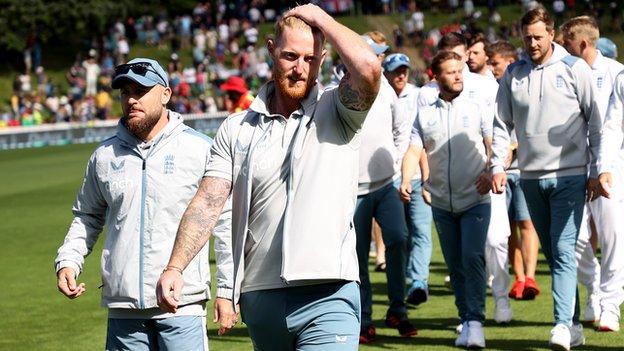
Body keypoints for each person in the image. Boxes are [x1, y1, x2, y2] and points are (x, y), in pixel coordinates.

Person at [157, 4, 381, 350]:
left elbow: (367, 66)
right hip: (261, 297)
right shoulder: (236, 129)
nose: (300, 68)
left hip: (329, 292)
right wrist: (175, 266)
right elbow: (208, 202)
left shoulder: (339, 111)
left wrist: (320, 17)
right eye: (291, 56)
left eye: (311, 59)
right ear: (271, 49)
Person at [54, 57, 226, 350]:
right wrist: (69, 260)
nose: (132, 99)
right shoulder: (104, 156)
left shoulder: (200, 149)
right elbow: (87, 216)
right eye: (125, 92)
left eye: (141, 90)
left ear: (166, 94)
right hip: (124, 310)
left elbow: (223, 221)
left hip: (182, 304)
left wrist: (226, 289)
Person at [491, 7, 602, 350]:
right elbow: (500, 124)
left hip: (569, 175)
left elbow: (596, 123)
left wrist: (597, 170)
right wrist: (497, 164)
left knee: (564, 249)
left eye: (538, 37)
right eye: (527, 38)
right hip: (529, 177)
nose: (532, 44)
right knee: (555, 253)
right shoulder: (513, 73)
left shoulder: (574, 68)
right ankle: (574, 325)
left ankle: (560, 326)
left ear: (552, 34)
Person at [400, 51, 493, 349]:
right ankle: (465, 320)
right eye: (450, 72)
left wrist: (492, 170)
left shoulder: (478, 106)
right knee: (455, 265)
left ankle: (476, 322)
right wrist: (406, 179)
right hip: (440, 202)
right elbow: (414, 150)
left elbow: (495, 144)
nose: (457, 76)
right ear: (435, 76)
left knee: (472, 258)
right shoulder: (425, 113)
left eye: (460, 71)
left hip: (476, 198)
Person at [561, 16, 624, 332]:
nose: (562, 47)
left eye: (565, 42)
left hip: (610, 169)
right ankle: (594, 286)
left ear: (581, 43)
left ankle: (611, 305)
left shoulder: (615, 73)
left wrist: (605, 169)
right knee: (575, 240)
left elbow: (612, 128)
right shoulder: (564, 72)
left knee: (613, 236)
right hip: (573, 165)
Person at [355, 35, 416, 344]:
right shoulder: (336, 91)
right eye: (374, 55)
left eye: (379, 56)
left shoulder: (387, 90)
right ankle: (364, 319)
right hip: (353, 192)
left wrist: (394, 156)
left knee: (398, 238)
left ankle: (397, 310)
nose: (378, 60)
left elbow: (402, 127)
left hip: (384, 185)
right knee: (358, 258)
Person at [486, 40, 542, 301]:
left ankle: (530, 276)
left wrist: (515, 146)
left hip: (524, 169)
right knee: (506, 230)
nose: (491, 67)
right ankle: (519, 278)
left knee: (527, 223)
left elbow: (535, 125)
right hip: (501, 172)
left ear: (509, 63)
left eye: (494, 62)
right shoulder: (489, 90)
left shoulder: (526, 86)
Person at [383, 53, 433, 308]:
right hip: (389, 179)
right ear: (386, 73)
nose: (401, 75)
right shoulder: (379, 96)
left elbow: (422, 141)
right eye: (395, 71)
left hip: (414, 176)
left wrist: (426, 178)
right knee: (399, 236)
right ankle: (401, 281)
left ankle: (418, 282)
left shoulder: (418, 95)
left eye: (404, 70)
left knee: (422, 231)